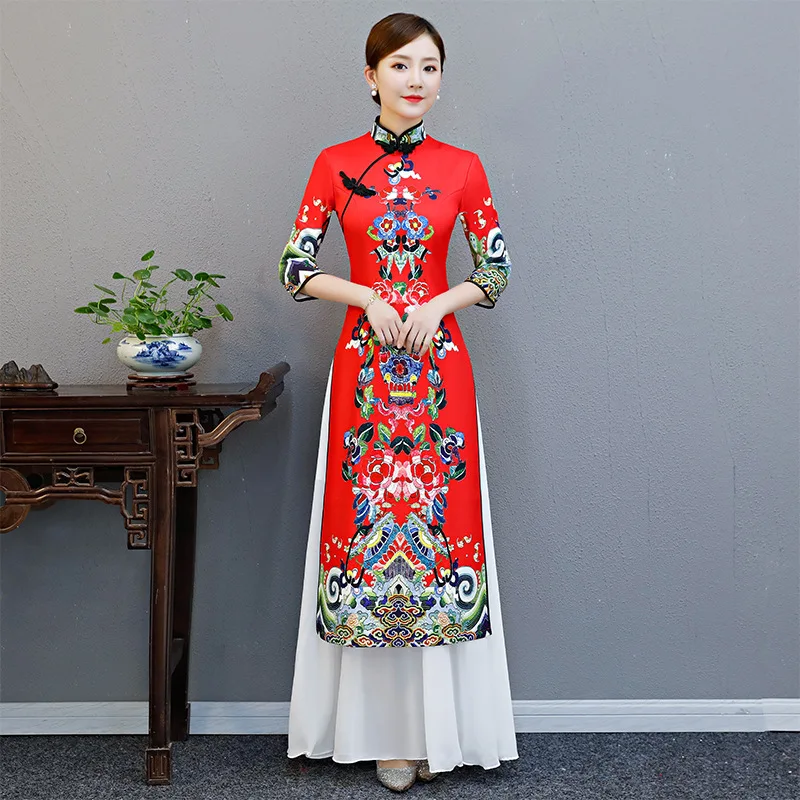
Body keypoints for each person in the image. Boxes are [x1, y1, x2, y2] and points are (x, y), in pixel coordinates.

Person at [279, 12, 518, 793]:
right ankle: (378, 731)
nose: (417, 80)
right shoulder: (334, 163)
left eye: (430, 67)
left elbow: (495, 270)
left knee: (438, 537)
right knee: (366, 535)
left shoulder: (464, 167)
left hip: (440, 376)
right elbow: (294, 266)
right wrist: (368, 297)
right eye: (402, 65)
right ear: (371, 75)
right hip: (365, 376)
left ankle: (433, 731)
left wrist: (439, 303)